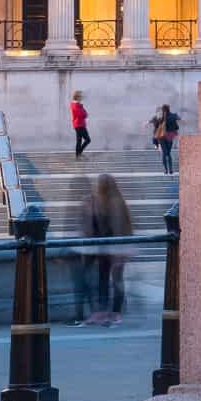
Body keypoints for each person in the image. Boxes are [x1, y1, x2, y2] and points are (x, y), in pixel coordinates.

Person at [81, 173, 133, 327]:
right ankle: (109, 313)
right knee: (110, 280)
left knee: (110, 280)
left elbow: (118, 227)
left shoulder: (114, 203)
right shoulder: (103, 201)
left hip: (113, 248)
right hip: (108, 248)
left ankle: (112, 313)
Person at [151, 103, 180, 174]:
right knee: (168, 153)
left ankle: (166, 170)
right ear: (169, 109)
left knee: (164, 153)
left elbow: (154, 123)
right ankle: (170, 169)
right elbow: (177, 124)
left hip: (162, 136)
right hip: (170, 136)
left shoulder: (160, 116)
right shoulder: (173, 116)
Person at [71, 90, 90, 159]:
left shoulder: (78, 105)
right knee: (88, 140)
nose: (82, 97)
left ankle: (78, 155)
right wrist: (84, 113)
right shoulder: (76, 105)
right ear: (77, 97)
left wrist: (84, 113)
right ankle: (79, 153)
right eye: (81, 96)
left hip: (79, 124)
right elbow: (82, 114)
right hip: (79, 124)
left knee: (79, 140)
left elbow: (84, 113)